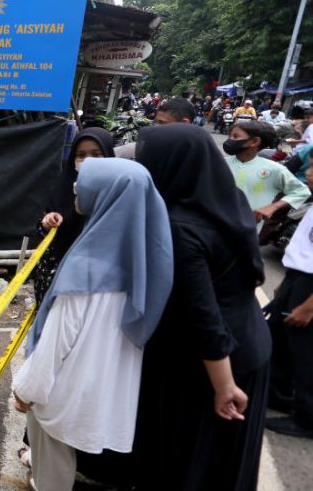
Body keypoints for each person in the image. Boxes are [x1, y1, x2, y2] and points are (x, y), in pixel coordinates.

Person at [13, 159, 174, 491]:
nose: (75, 187)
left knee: (52, 470)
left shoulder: (86, 265)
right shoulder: (145, 259)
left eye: (83, 184)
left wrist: (26, 389)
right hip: (105, 386)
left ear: (106, 195)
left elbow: (56, 342)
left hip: (61, 389)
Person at [132, 124, 271, 491]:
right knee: (223, 463)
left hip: (211, 366)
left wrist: (223, 385)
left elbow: (202, 315)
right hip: (251, 342)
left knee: (188, 463)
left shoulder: (180, 227)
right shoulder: (229, 200)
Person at [33, 127, 115, 305]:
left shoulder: (118, 194)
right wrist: (48, 222)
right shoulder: (63, 185)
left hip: (96, 286)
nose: (88, 161)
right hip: (58, 279)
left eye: (96, 154)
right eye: (81, 155)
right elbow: (44, 232)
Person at [265, 163, 313, 440]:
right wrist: (286, 282)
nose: (307, 173)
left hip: (309, 288)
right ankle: (280, 396)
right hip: (298, 278)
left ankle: (308, 418)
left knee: (306, 351)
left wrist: (309, 305)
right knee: (281, 339)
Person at [224, 121, 310, 232]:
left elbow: (301, 191)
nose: (230, 140)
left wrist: (272, 207)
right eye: (230, 136)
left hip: (245, 231)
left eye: (235, 136)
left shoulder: (275, 169)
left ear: (255, 141)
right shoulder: (219, 162)